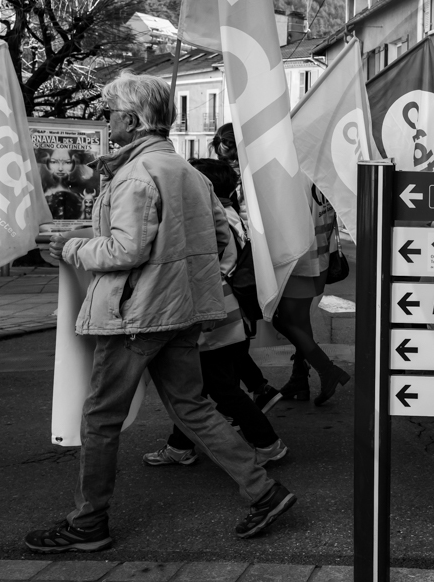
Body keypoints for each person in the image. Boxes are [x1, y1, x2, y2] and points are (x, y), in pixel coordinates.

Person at [27, 73, 296, 553]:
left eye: (111, 115)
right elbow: (222, 242)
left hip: (137, 314)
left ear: (130, 120)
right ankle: (264, 491)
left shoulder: (135, 174)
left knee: (101, 418)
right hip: (184, 310)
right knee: (193, 407)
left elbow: (126, 250)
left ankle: (89, 522)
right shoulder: (187, 172)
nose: (108, 123)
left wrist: (73, 247)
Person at [143, 158, 288, 468]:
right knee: (202, 386)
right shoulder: (230, 213)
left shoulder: (210, 215)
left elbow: (204, 264)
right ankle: (179, 445)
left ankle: (268, 443)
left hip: (213, 313)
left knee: (217, 388)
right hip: (228, 311)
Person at [210, 124, 280, 411]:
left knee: (220, 353)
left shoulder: (253, 182)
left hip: (238, 273)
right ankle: (258, 389)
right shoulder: (230, 190)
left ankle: (242, 413)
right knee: (229, 346)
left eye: (235, 159)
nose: (232, 166)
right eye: (226, 161)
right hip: (239, 270)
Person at [275, 186, 351, 405]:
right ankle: (299, 380)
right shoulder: (314, 168)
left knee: (286, 321)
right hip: (319, 256)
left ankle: (327, 370)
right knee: (299, 323)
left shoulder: (291, 172)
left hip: (298, 261)